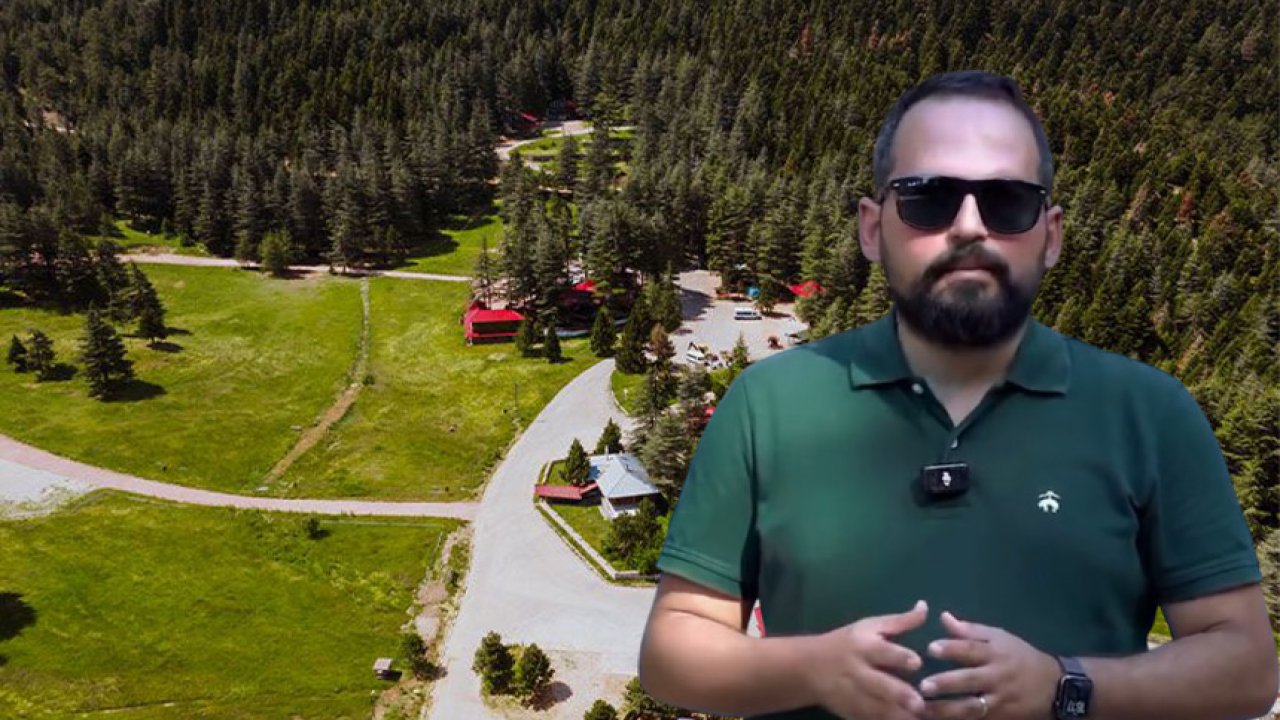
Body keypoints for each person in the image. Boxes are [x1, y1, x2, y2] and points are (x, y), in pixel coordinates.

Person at [637, 70, 1277, 720]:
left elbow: (1247, 668)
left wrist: (1065, 687)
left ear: (1051, 235)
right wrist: (813, 669)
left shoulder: (1152, 414)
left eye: (1007, 202)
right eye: (929, 198)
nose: (970, 227)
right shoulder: (766, 405)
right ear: (871, 228)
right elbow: (671, 651)